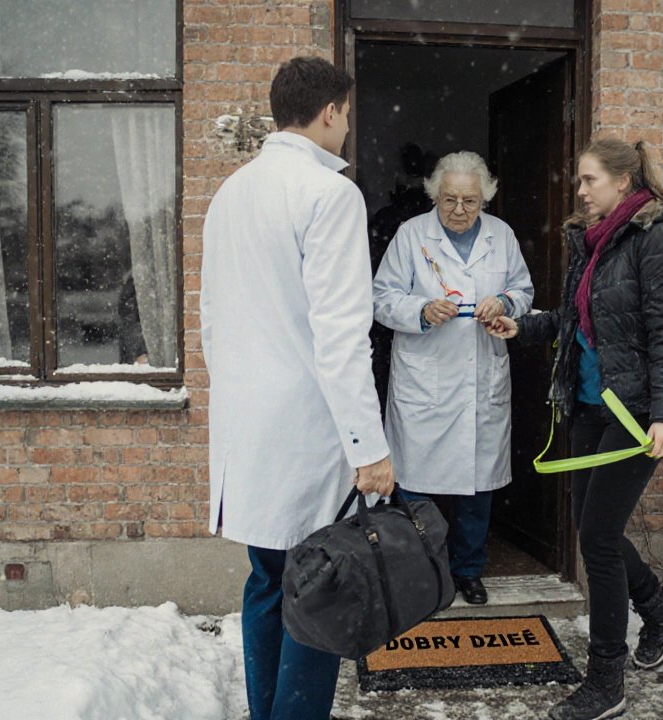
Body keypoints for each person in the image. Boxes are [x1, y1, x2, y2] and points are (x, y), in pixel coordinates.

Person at [200, 56, 394, 720]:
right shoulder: (329, 194)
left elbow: (211, 321)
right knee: (320, 592)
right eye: (346, 114)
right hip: (307, 428)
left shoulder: (232, 192)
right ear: (331, 111)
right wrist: (369, 449)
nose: (346, 127)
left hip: (246, 427)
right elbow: (343, 337)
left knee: (268, 582)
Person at [487, 138, 663, 720]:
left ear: (624, 181)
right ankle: (658, 606)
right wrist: (521, 328)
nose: (579, 191)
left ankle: (607, 681)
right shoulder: (594, 240)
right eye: (579, 180)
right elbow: (571, 319)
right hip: (586, 406)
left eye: (588, 180)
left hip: (633, 413)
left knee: (598, 540)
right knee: (590, 530)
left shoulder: (659, 238)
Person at [372, 151, 534, 605]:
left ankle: (467, 570)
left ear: (485, 198)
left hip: (481, 373)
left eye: (470, 201)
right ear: (434, 196)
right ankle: (418, 573)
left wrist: (503, 302)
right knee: (414, 485)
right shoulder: (410, 235)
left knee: (476, 484)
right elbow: (381, 298)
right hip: (426, 377)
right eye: (449, 200)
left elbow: (524, 289)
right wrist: (420, 310)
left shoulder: (501, 236)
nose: (459, 210)